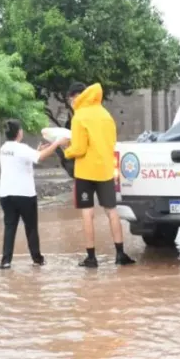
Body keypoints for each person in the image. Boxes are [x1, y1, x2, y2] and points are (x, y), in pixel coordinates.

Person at [59, 82, 135, 268]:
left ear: (76, 96)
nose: (70, 102)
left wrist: (65, 150)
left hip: (85, 172)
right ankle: (120, 254)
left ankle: (91, 258)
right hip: (106, 170)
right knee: (111, 211)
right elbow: (111, 142)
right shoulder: (105, 114)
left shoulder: (80, 116)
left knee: (87, 213)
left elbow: (79, 148)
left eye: (70, 99)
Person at [0, 119, 66, 270]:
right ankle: (37, 259)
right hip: (24, 194)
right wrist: (56, 144)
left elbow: (29, 158)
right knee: (31, 227)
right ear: (19, 132)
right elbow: (39, 158)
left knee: (10, 227)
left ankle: (5, 261)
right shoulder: (21, 148)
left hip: (6, 194)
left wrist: (38, 150)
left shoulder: (4, 148)